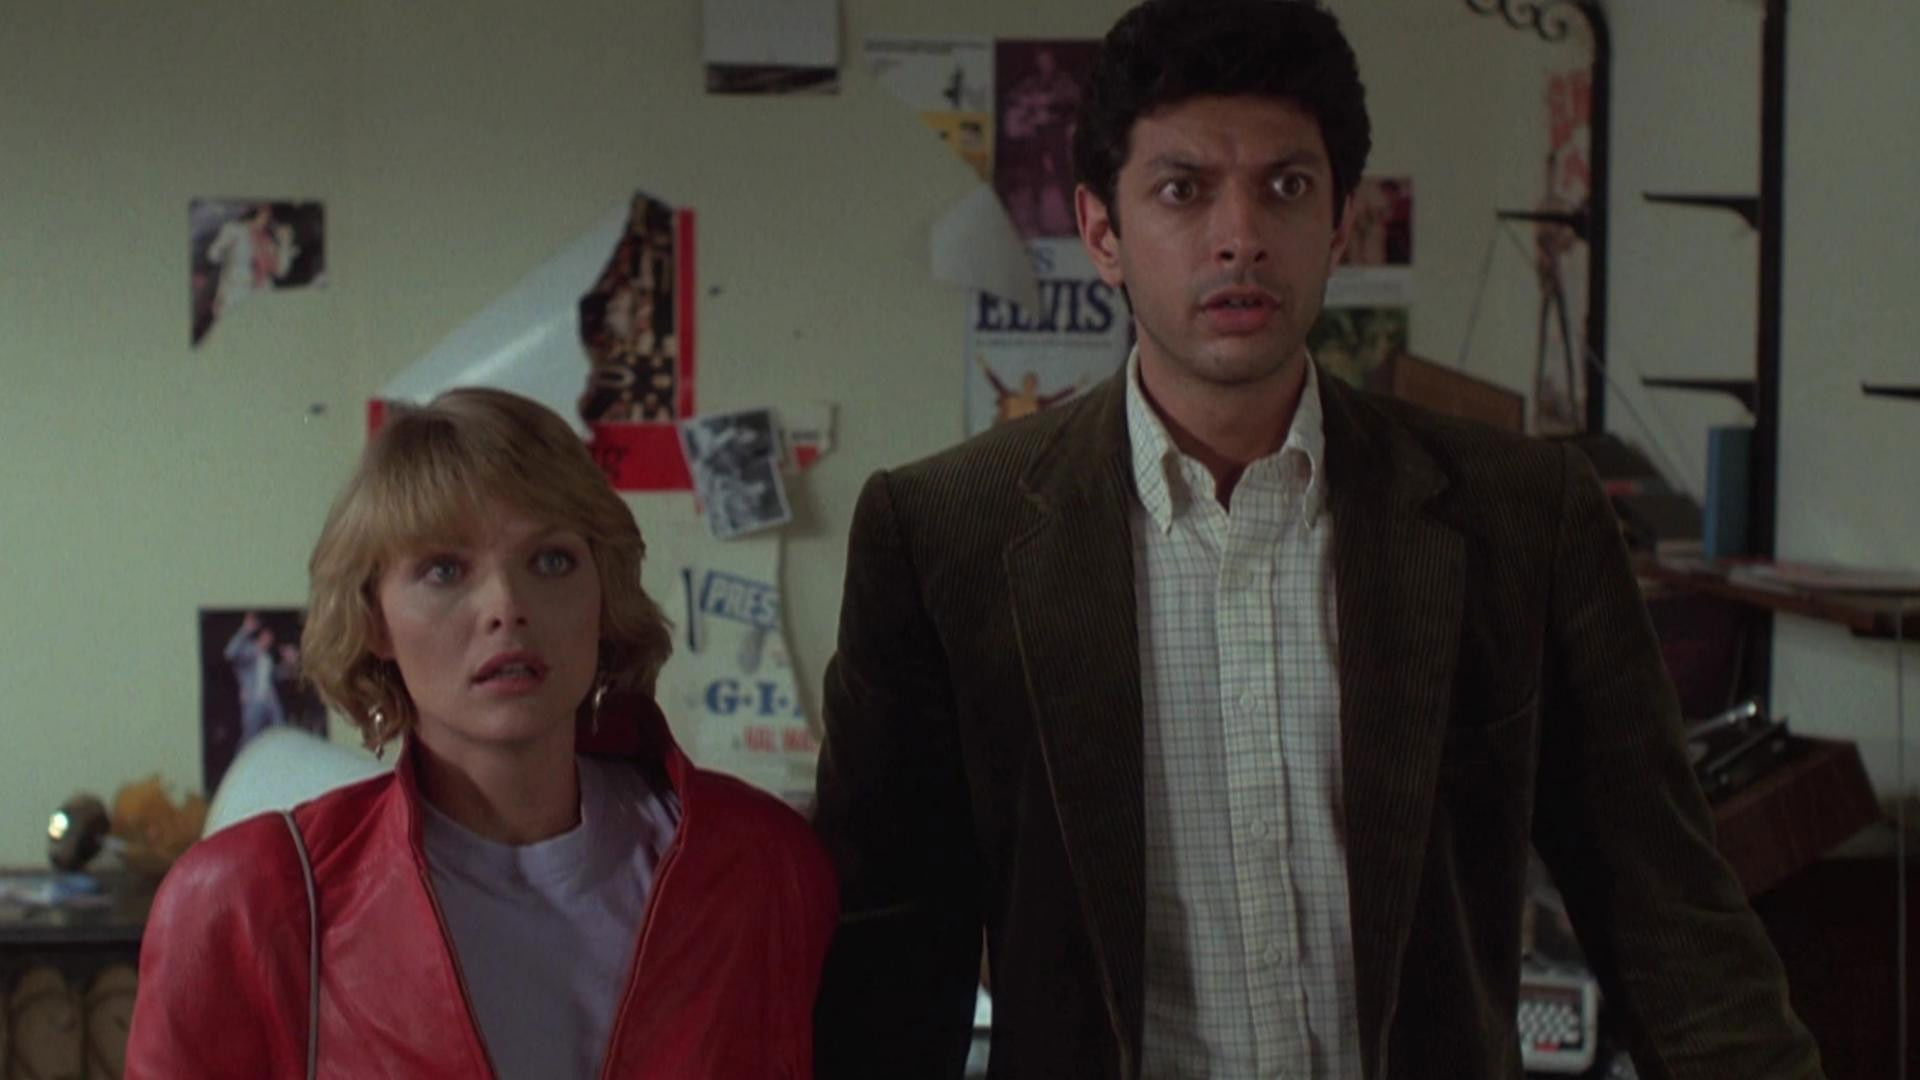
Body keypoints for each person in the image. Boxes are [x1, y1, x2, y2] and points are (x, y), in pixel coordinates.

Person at [811, 2, 1821, 1078]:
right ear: (1102, 233)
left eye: (1286, 186)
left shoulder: (1521, 514)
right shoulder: (944, 536)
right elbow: (886, 970)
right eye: (1183, 190)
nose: (1240, 235)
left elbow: (1673, 922)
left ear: (1341, 223)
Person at [128, 388, 836, 1078]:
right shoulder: (245, 901)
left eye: (551, 560)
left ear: (602, 592)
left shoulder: (762, 865)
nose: (507, 606)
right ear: (375, 620)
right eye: (444, 570)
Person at [223, 610, 299, 746]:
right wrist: (244, 630)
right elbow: (230, 653)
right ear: (260, 636)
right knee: (250, 737)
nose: (268, 640)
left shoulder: (267, 657)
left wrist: (290, 665)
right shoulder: (248, 651)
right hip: (254, 701)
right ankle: (244, 757)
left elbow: (276, 675)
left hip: (271, 701)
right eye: (266, 637)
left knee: (281, 732)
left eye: (270, 638)